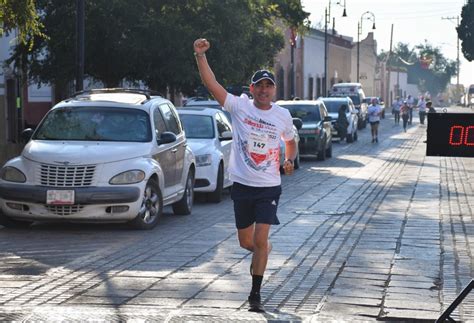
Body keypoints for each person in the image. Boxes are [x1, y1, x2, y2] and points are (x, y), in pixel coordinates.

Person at [193, 38, 297, 313]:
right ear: (252, 90)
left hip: (268, 187)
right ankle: (263, 252)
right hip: (242, 185)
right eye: (259, 86)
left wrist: (289, 160)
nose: (264, 90)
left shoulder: (283, 115)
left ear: (274, 90)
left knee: (260, 240)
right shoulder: (239, 107)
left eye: (268, 86)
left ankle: (255, 294)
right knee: (247, 243)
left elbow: (291, 141)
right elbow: (211, 85)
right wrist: (200, 56)